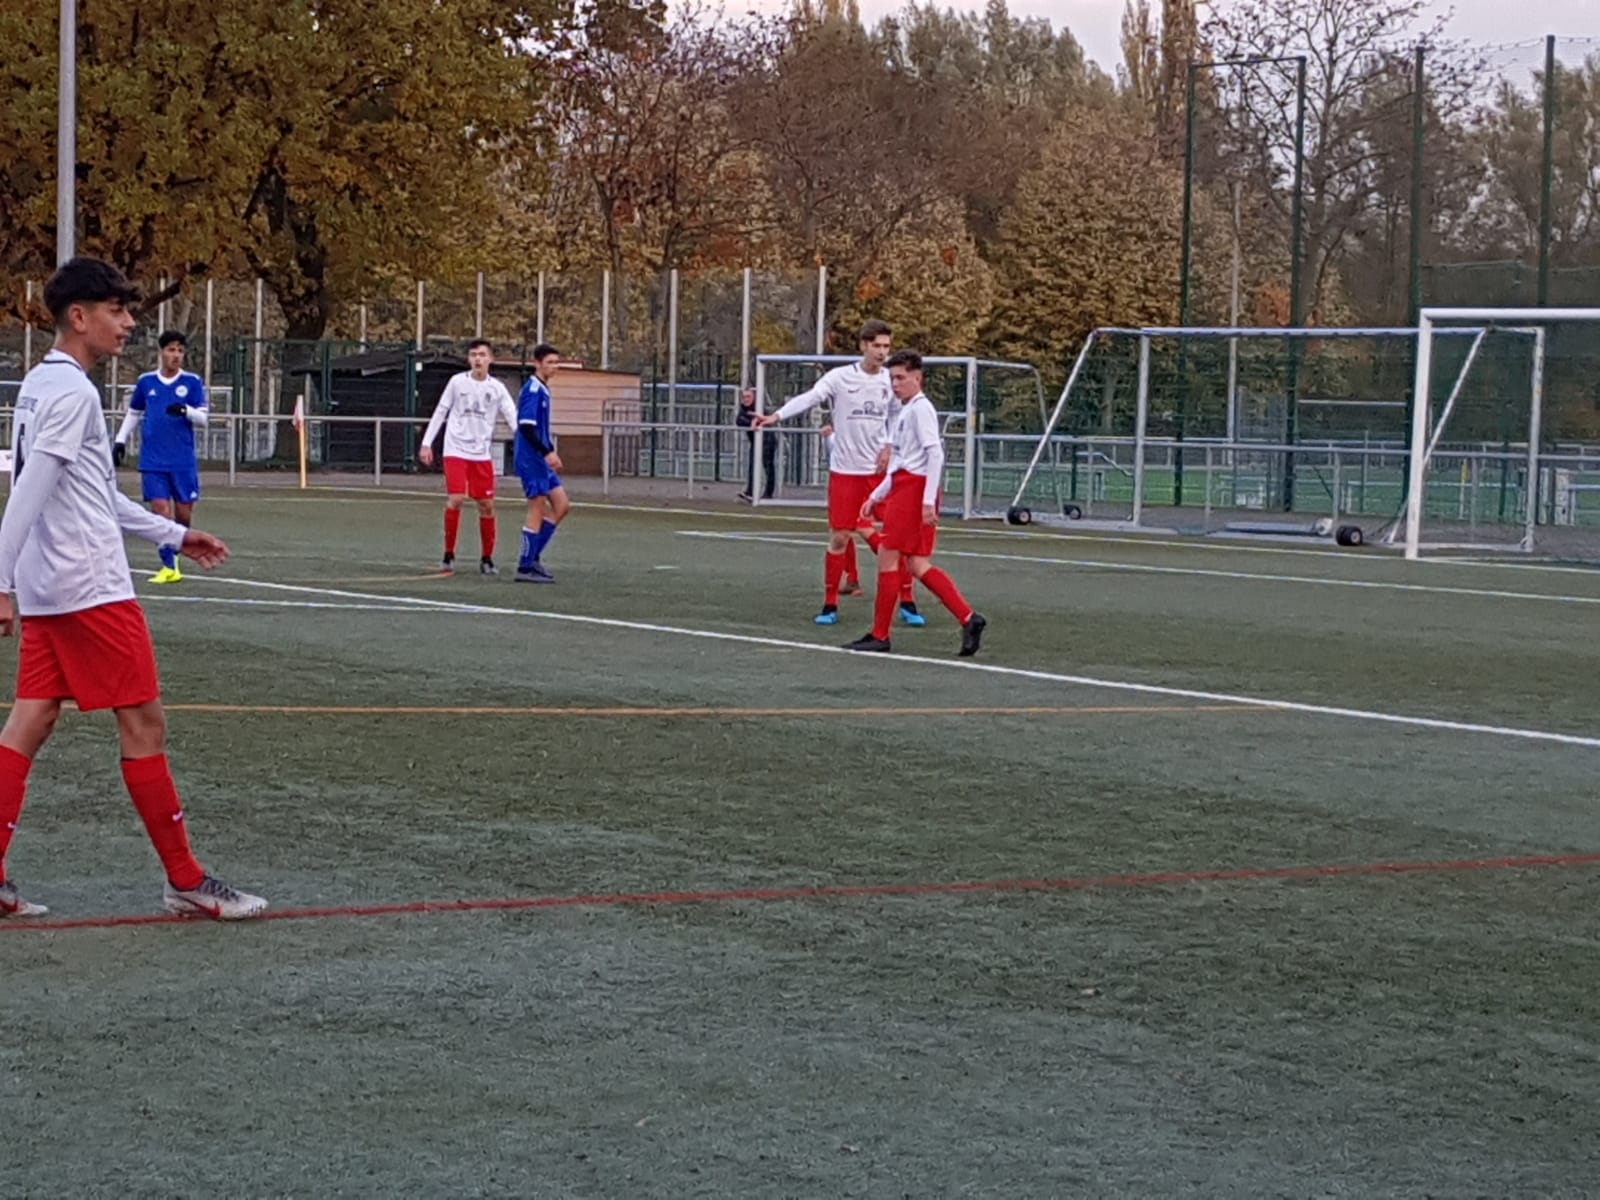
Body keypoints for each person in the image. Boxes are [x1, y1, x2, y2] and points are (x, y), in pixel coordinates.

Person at [0, 257, 266, 921]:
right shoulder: (73, 394)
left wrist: (173, 535)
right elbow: (25, 495)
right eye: (115, 311)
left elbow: (92, 494)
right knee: (144, 723)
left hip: (50, 583)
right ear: (79, 317)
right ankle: (186, 879)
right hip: (89, 586)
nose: (127, 324)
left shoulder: (41, 383)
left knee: (31, 720)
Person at [753, 319, 922, 627]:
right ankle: (830, 603)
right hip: (845, 472)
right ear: (863, 346)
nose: (882, 352)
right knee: (840, 537)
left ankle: (907, 601)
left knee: (896, 539)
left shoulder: (891, 381)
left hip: (879, 474)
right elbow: (811, 397)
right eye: (877, 346)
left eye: (886, 346)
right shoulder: (841, 377)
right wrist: (776, 416)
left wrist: (889, 446)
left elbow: (898, 417)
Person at [847, 349, 986, 657]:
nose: (895, 384)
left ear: (917, 378)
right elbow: (900, 462)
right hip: (907, 487)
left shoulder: (920, 409)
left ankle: (880, 635)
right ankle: (968, 618)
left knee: (888, 557)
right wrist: (876, 495)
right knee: (916, 564)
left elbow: (934, 454)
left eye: (900, 378)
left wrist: (926, 502)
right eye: (892, 378)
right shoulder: (907, 410)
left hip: (913, 491)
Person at [418, 338, 519, 575]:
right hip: (455, 450)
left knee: (487, 505)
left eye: (482, 355)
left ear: (490, 359)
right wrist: (426, 443)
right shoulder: (457, 382)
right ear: (468, 359)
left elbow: (512, 417)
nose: (477, 359)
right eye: (473, 355)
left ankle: (487, 558)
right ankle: (448, 554)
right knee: (456, 499)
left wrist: (526, 444)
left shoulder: (497, 388)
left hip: (481, 454)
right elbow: (441, 411)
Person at [113, 329, 207, 585]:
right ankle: (169, 566)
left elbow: (203, 417)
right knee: (160, 511)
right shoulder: (146, 382)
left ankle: (176, 551)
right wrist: (120, 440)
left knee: (183, 514)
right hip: (153, 460)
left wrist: (186, 410)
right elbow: (134, 413)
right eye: (171, 350)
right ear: (162, 352)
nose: (175, 355)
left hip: (182, 461)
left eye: (180, 351)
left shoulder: (191, 382)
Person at [513, 344, 571, 583]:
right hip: (532, 459)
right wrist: (547, 452)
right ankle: (525, 567)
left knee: (561, 504)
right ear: (537, 364)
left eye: (556, 362)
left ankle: (533, 557)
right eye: (550, 362)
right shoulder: (533, 389)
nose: (554, 367)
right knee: (537, 507)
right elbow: (526, 427)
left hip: (540, 459)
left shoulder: (543, 389)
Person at [735, 387, 776, 502]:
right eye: (744, 397)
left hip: (767, 440)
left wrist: (756, 422)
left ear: (754, 398)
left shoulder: (760, 407)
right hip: (755, 441)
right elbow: (739, 420)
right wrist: (751, 423)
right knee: (752, 465)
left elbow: (763, 421)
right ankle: (750, 491)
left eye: (748, 397)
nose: (746, 399)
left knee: (768, 466)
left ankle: (768, 493)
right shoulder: (744, 409)